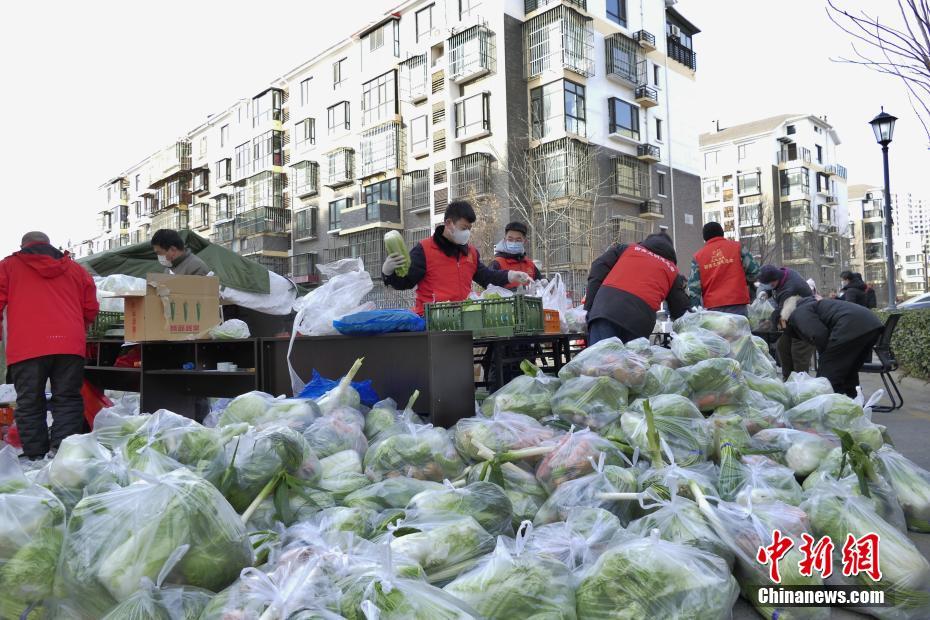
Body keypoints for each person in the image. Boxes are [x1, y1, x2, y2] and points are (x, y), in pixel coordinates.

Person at [0, 232, 99, 459]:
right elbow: (91, 307)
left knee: (29, 402)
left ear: (23, 246)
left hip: (27, 346)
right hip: (69, 346)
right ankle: (63, 456)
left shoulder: (8, 267)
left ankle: (36, 458)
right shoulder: (76, 270)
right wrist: (74, 330)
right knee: (67, 399)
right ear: (49, 245)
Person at [382, 201, 531, 315]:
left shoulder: (470, 252)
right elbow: (405, 282)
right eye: (464, 228)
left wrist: (511, 275)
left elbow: (487, 277)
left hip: (463, 318)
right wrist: (388, 273)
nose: (467, 233)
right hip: (431, 318)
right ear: (449, 223)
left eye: (469, 229)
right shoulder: (425, 249)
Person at [584, 233, 690, 344]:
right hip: (639, 321)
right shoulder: (672, 270)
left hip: (606, 310)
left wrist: (589, 307)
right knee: (630, 360)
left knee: (600, 358)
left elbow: (598, 266)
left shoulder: (627, 249)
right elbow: (680, 309)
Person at [780, 295, 883, 397]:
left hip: (851, 326)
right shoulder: (812, 306)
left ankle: (829, 407)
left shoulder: (799, 312)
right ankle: (853, 401)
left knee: (826, 377)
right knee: (849, 370)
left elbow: (819, 334)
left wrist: (826, 358)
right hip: (871, 326)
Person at [687, 222, 760, 315]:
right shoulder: (737, 247)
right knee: (739, 329)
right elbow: (755, 272)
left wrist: (695, 310)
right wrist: (742, 280)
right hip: (738, 305)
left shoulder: (698, 257)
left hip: (713, 309)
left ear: (704, 238)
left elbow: (694, 288)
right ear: (722, 233)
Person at [757, 264, 815, 380]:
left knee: (798, 352)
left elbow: (782, 316)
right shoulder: (784, 273)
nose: (768, 287)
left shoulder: (789, 289)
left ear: (774, 280)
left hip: (805, 321)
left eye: (768, 284)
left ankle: (801, 383)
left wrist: (772, 330)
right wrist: (766, 293)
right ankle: (788, 379)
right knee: (782, 346)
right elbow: (774, 288)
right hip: (792, 318)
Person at [490, 221, 542, 288]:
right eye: (510, 239)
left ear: (525, 241)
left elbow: (539, 282)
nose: (514, 242)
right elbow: (489, 287)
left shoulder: (530, 264)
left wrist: (545, 282)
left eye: (518, 240)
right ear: (505, 240)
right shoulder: (497, 263)